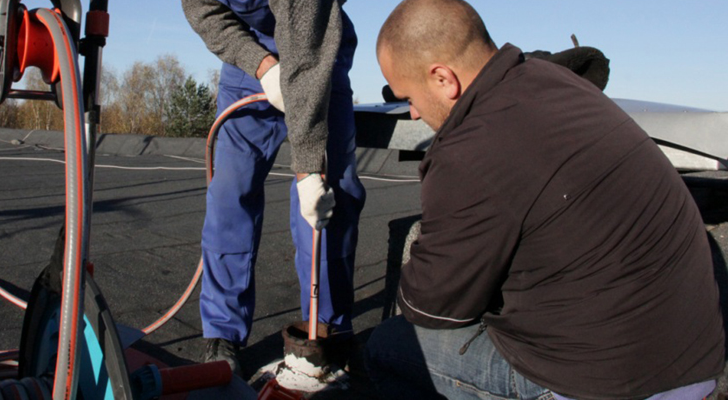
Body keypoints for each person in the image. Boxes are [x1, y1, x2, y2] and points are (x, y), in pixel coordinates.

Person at [367, 0, 725, 399]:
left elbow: (432, 304)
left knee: (391, 346)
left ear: (442, 79)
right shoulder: (554, 81)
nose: (412, 114)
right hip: (693, 357)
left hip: (611, 383)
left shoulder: (471, 150)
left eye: (409, 97)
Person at [181, 0, 365, 376]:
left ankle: (328, 327)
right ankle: (222, 330)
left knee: (330, 197)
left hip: (316, 50)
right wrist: (263, 66)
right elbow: (205, 12)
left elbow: (305, 50)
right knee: (229, 193)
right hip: (248, 60)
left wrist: (309, 172)